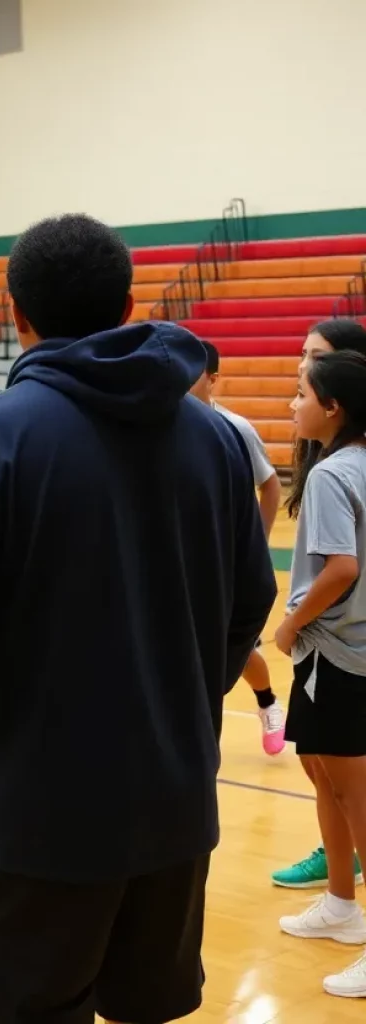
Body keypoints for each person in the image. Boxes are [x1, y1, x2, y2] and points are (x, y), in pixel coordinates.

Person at [0, 213, 277, 1024]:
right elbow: (253, 598)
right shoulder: (216, 438)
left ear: (18, 316)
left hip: (33, 812)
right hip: (173, 803)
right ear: (130, 302)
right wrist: (181, 696)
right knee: (145, 1009)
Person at [275, 350, 366, 998]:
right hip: (342, 656)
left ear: (333, 407)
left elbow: (341, 568)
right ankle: (340, 902)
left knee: (356, 798)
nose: (293, 404)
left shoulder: (335, 473)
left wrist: (288, 624)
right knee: (329, 783)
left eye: (301, 394)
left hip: (338, 655)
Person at [190, 340, 285, 754]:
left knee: (240, 649)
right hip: (189, 558)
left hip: (229, 562)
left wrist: (256, 543)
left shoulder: (235, 428)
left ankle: (267, 702)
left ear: (211, 380)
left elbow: (270, 484)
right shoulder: (164, 424)